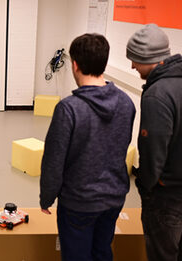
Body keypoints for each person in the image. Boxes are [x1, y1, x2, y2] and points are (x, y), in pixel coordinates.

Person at [39, 33, 136, 261]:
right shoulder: (126, 103)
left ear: (74, 65)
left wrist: (47, 198)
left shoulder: (69, 109)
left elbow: (54, 160)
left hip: (78, 203)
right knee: (102, 251)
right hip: (114, 198)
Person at [126, 23, 182, 261]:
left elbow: (153, 153)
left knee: (162, 254)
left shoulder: (157, 95)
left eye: (135, 60)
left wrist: (146, 186)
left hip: (166, 197)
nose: (132, 66)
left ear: (152, 59)